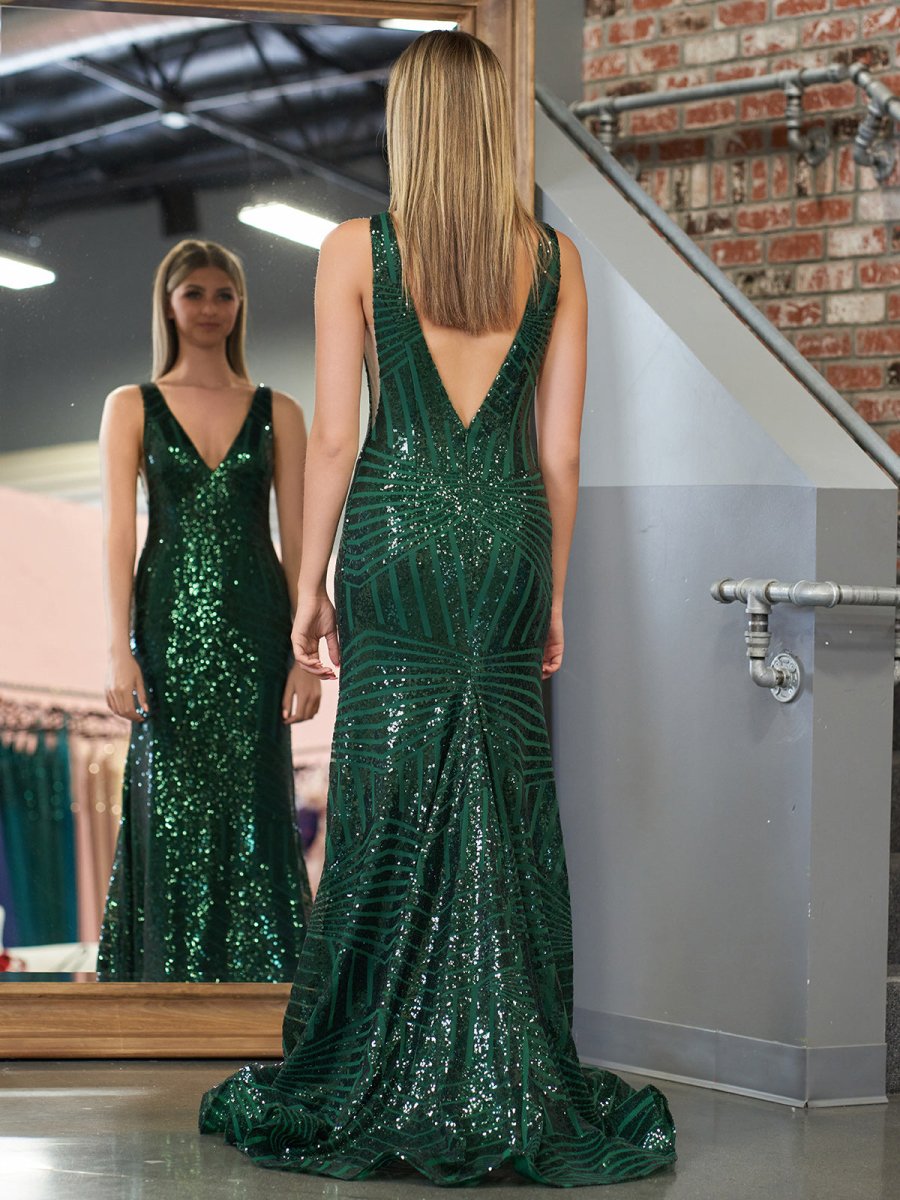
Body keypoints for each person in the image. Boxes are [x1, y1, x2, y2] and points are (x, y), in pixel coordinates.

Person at [199, 31, 676, 1185]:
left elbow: (338, 439)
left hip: (399, 534)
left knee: (388, 793)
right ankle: (507, 1065)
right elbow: (560, 457)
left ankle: (378, 1059)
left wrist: (307, 584)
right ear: (497, 128)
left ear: (407, 128)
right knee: (505, 799)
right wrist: (551, 590)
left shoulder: (354, 250)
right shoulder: (554, 260)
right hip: (508, 537)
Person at [97, 239, 317, 982]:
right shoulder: (131, 405)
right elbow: (117, 534)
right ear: (168, 303)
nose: (211, 307)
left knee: (257, 804)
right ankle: (166, 990)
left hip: (259, 629)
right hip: (165, 631)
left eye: (225, 294)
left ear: (240, 305)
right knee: (171, 806)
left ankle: (268, 993)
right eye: (194, 292)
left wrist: (303, 656)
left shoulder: (279, 411)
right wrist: (119, 649)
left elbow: (299, 539)